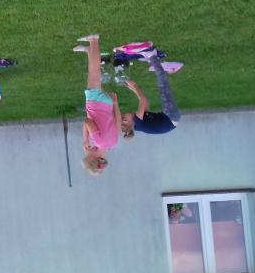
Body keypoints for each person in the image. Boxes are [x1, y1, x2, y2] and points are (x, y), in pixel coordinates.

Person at [73, 35, 121, 176]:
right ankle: (94, 40)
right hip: (96, 103)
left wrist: (115, 104)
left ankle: (89, 51)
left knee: (93, 73)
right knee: (94, 72)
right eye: (88, 155)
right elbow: (87, 122)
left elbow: (118, 123)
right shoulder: (98, 142)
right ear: (93, 157)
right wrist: (85, 139)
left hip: (107, 105)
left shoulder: (112, 144)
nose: (88, 151)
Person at [121, 48, 181, 137]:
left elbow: (146, 102)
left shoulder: (138, 123)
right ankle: (152, 55)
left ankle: (166, 66)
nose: (124, 113)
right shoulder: (138, 122)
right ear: (126, 120)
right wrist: (134, 85)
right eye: (123, 116)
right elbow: (143, 99)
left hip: (171, 119)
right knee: (163, 86)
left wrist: (133, 89)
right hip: (171, 117)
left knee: (163, 87)